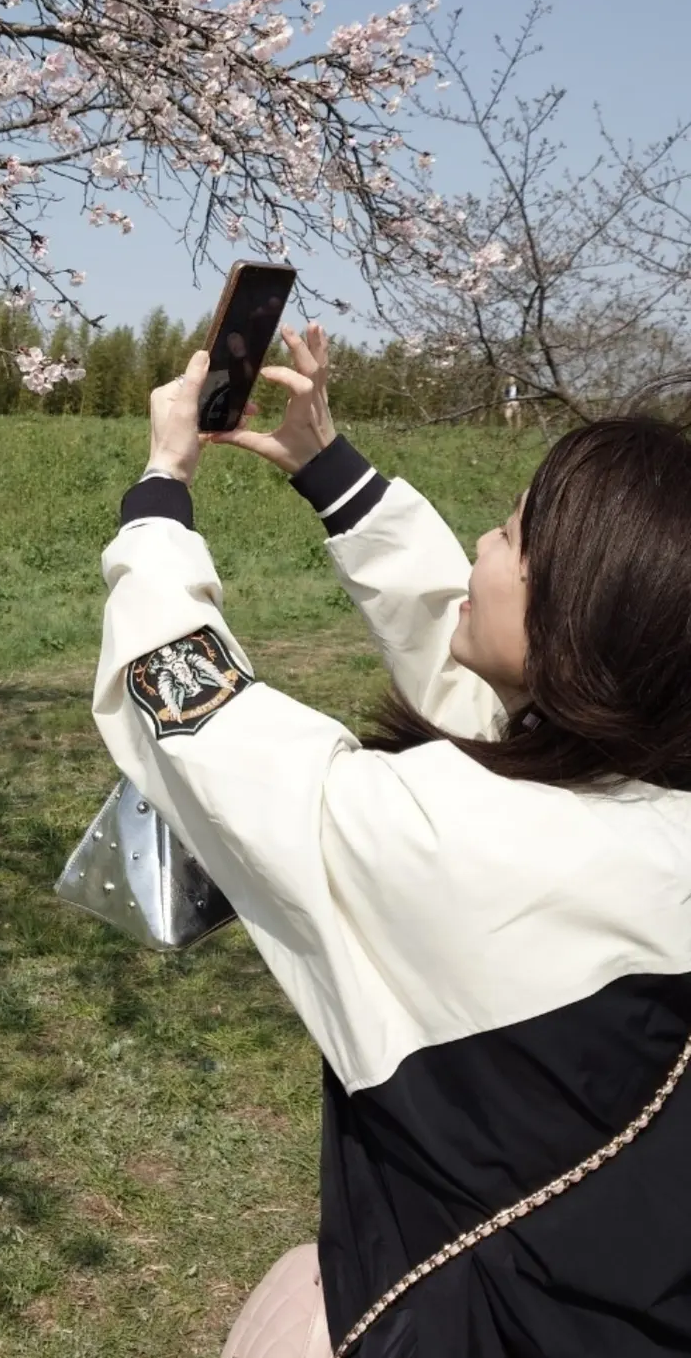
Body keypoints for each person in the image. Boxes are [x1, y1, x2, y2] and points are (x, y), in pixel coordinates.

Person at [92, 325, 691, 1358]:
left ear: (581, 618)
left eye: (512, 535)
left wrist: (162, 486)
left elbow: (199, 723)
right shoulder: (649, 802)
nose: (482, 552)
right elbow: (491, 698)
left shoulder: (452, 846)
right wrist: (329, 469)